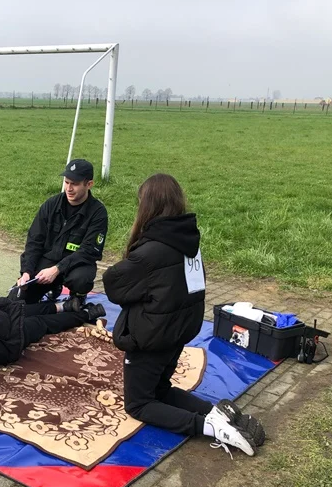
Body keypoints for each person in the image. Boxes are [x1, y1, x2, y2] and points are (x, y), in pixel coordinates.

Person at [102, 173, 265, 457]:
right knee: (161, 390)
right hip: (177, 333)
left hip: (150, 337)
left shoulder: (150, 252)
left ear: (148, 206)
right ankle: (216, 413)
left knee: (139, 404)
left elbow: (115, 285)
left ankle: (211, 427)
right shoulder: (190, 243)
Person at [9, 159, 108, 309]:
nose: (69, 188)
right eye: (67, 182)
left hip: (76, 264)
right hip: (48, 261)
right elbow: (34, 241)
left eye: (74, 184)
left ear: (89, 184)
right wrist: (27, 272)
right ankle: (53, 288)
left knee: (81, 279)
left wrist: (57, 269)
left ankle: (78, 296)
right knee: (16, 300)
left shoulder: (98, 213)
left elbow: (89, 251)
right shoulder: (51, 204)